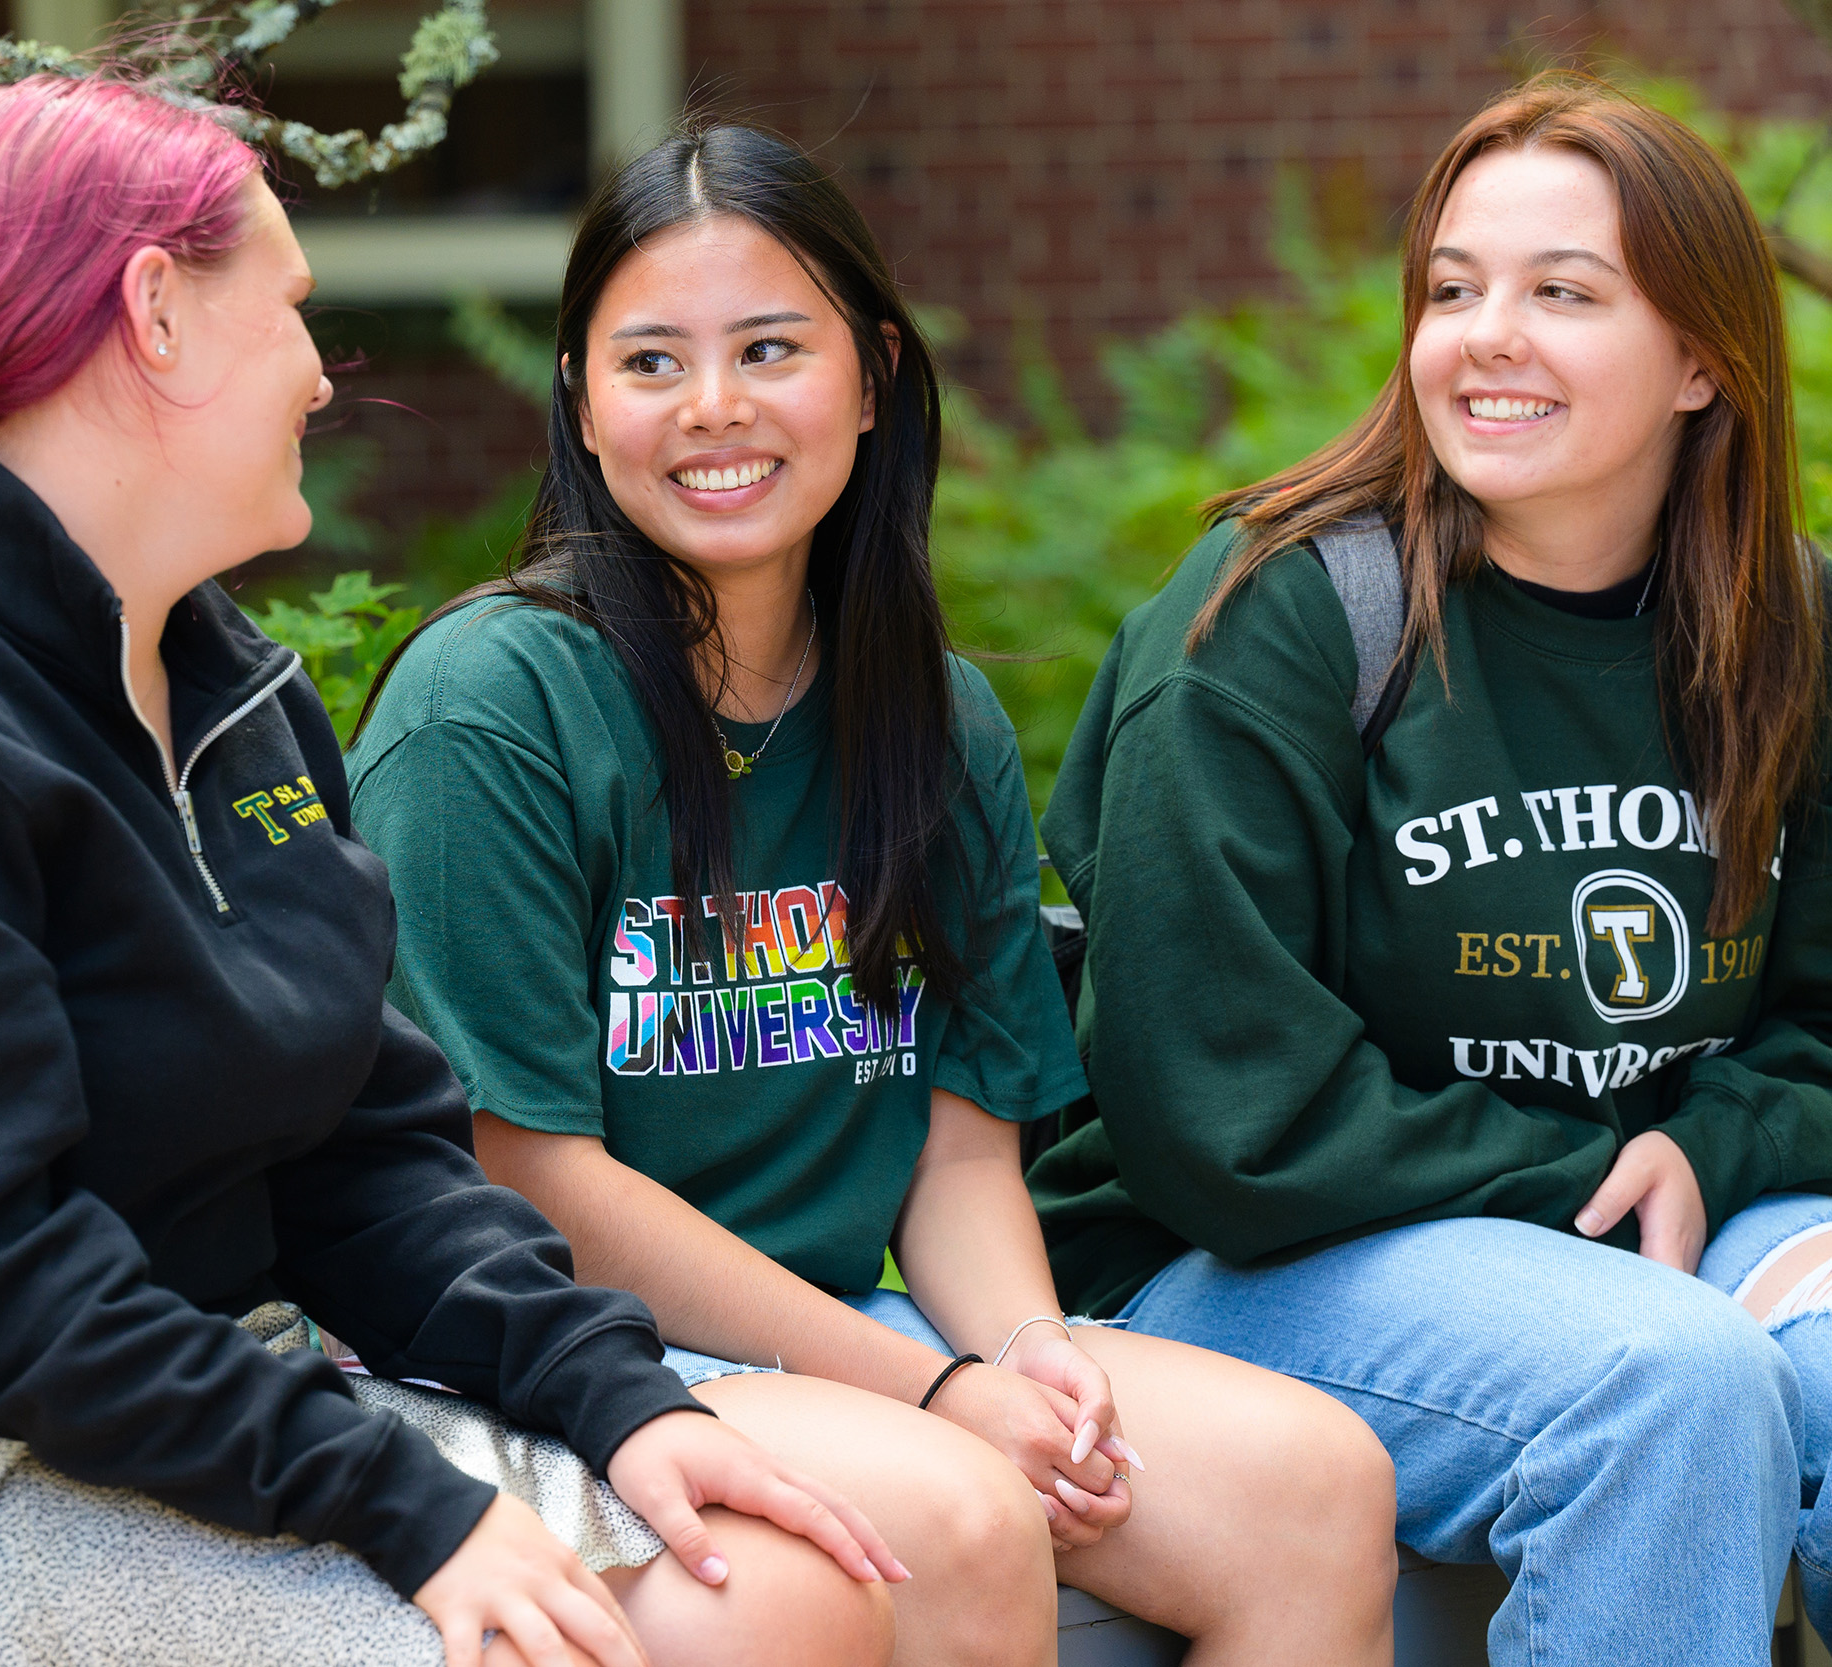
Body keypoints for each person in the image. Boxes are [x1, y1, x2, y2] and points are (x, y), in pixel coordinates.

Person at [0, 75, 907, 1667]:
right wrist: (409, 1508)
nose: (319, 376)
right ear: (157, 313)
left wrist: (610, 1399)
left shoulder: (242, 701)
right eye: (291, 310)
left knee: (807, 1577)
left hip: (241, 1393)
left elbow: (364, 1160)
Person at [347, 122, 1399, 1667]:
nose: (713, 410)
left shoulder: (932, 714)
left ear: (873, 374)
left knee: (1310, 1488)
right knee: (959, 1508)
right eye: (650, 363)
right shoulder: (490, 704)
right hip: (565, 1356)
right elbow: (525, 1177)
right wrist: (928, 1393)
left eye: (769, 348)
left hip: (839, 1336)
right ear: (579, 395)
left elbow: (961, 1144)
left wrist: (1027, 1353)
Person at [1028, 70, 1832, 1664]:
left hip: (1624, 1219)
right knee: (1656, 1387)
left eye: (1563, 292)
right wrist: (1599, 1189)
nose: (1485, 335)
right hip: (1245, 1259)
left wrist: (1708, 1145)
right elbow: (1220, 1113)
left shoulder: (1788, 637)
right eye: (1451, 289)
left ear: (1699, 361)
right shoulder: (1279, 622)